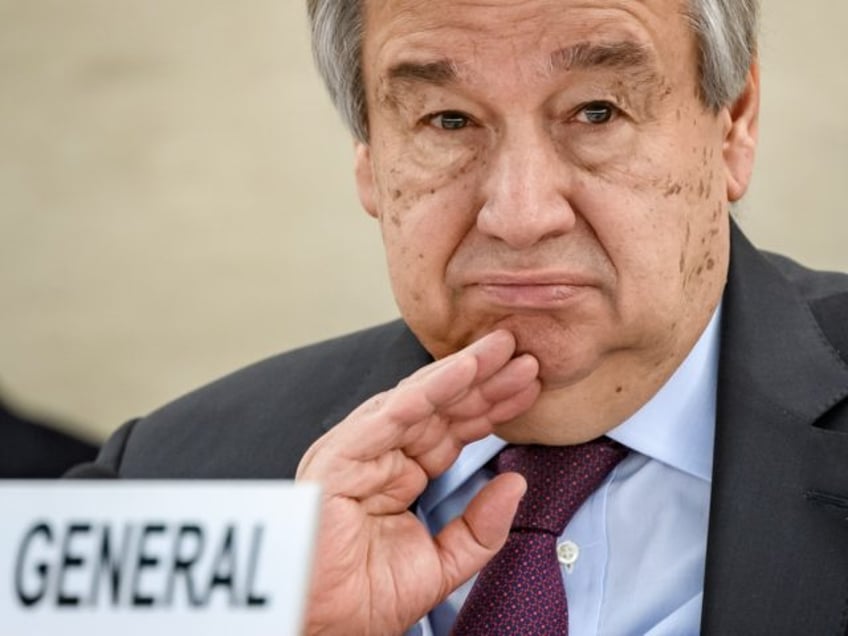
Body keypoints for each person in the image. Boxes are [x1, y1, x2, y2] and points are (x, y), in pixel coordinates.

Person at [77, 0, 848, 633]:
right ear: (368, 157)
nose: (520, 214)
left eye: (596, 110)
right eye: (447, 121)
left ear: (734, 123)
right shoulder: (165, 477)